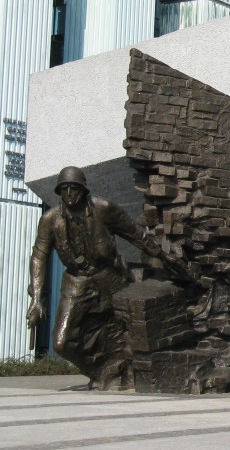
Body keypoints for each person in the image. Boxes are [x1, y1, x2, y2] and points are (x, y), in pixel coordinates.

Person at [26, 166, 174, 390]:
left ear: (83, 189)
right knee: (61, 342)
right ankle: (102, 372)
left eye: (74, 188)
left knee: (127, 330)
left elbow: (135, 234)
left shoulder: (103, 209)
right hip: (76, 281)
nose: (69, 193)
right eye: (64, 189)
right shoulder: (50, 220)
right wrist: (36, 298)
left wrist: (163, 256)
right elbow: (39, 256)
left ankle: (129, 372)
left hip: (110, 277)